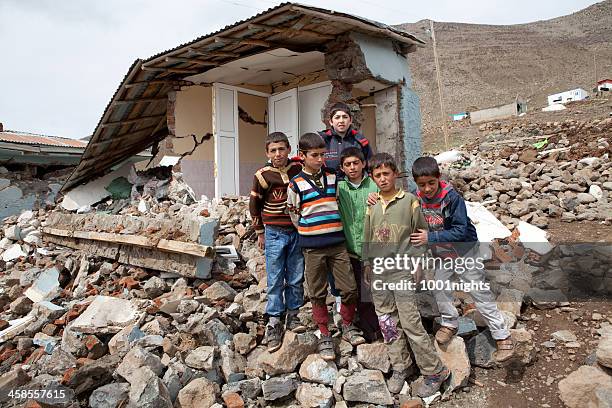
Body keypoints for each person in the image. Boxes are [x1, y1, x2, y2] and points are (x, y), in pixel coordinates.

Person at [409, 156, 514, 362]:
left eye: (432, 183)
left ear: (439, 178)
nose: (428, 188)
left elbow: (460, 230)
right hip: (442, 252)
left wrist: (430, 237)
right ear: (416, 183)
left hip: (465, 250)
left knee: (478, 291)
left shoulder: (452, 198)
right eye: (422, 185)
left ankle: (502, 336)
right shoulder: (415, 198)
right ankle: (450, 322)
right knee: (439, 286)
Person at [363, 153, 449, 397]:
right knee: (388, 322)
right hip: (379, 273)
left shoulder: (409, 200)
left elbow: (420, 233)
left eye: (386, 174)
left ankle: (434, 371)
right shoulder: (372, 205)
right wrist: (367, 264)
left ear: (395, 174)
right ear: (373, 177)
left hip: (401, 270)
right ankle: (401, 366)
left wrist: (418, 263)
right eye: (377, 175)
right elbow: (367, 235)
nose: (382, 179)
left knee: (411, 323)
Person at [286, 132, 365, 361]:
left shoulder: (334, 177)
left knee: (349, 287)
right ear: (302, 156)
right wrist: (310, 231)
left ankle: (347, 324)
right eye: (314, 155)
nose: (320, 159)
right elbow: (294, 213)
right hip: (312, 247)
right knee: (318, 291)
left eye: (322, 155)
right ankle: (324, 332)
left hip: (338, 244)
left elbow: (339, 203)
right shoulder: (296, 184)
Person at [249, 132, 306, 352]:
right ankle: (274, 319)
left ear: (289, 149)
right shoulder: (262, 175)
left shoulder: (298, 170)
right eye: (273, 150)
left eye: (281, 149)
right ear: (267, 153)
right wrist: (259, 231)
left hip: (296, 231)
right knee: (274, 276)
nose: (278, 154)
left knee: (295, 274)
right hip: (273, 232)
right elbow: (254, 204)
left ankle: (294, 314)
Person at [336, 146, 381, 342]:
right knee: (353, 291)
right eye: (347, 164)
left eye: (356, 163)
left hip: (373, 251)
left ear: (364, 164)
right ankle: (359, 327)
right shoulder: (338, 188)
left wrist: (380, 200)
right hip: (349, 251)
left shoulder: (375, 185)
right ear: (342, 168)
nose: (352, 167)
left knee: (372, 292)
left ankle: (377, 331)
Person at [319, 101, 373, 176]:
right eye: (337, 117)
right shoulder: (322, 140)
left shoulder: (361, 141)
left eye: (345, 117)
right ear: (331, 122)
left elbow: (370, 167)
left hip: (355, 185)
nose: (341, 121)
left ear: (350, 120)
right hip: (329, 185)